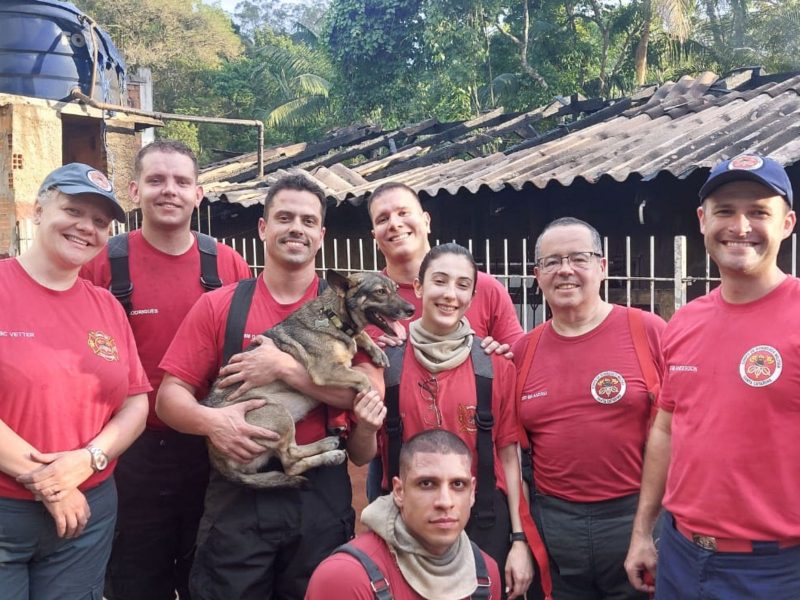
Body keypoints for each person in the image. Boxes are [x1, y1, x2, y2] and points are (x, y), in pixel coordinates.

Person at [156, 173, 385, 600]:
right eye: (284, 217)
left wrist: (285, 368)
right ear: (263, 228)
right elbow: (169, 398)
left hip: (321, 495)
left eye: (307, 220)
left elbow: (367, 397)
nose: (295, 227)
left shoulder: (354, 310)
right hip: (238, 495)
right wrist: (213, 421)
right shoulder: (220, 305)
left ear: (321, 235)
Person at [80, 140, 252, 600]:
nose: (168, 191)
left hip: (212, 444)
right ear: (134, 191)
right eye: (156, 180)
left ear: (199, 194)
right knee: (137, 573)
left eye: (181, 181)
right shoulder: (104, 263)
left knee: (210, 568)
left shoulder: (226, 265)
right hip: (133, 452)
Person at [624, 154, 800, 599]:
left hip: (777, 569)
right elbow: (666, 428)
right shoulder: (684, 321)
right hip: (680, 556)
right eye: (725, 211)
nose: (740, 226)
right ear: (703, 221)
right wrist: (643, 531)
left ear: (787, 224)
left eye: (759, 212)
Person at [0, 163, 149, 599]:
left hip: (88, 513)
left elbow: (136, 402)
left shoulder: (106, 306)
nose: (87, 228)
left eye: (100, 222)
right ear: (39, 209)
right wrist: (50, 482)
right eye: (73, 210)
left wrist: (89, 460)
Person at [513, 217, 665, 600]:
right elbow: (510, 449)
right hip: (555, 524)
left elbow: (683, 425)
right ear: (537, 275)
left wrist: (648, 529)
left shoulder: (647, 330)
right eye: (552, 261)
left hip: (635, 516)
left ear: (601, 266)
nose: (565, 270)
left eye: (578, 258)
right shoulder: (521, 352)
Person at [375, 243, 533, 599]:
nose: (450, 294)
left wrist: (519, 539)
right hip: (406, 525)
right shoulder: (387, 363)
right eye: (440, 282)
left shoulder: (494, 367)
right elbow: (365, 451)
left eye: (462, 285)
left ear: (473, 295)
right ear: (418, 287)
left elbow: (509, 457)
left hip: (484, 523)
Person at [306, 429, 503, 600]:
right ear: (399, 492)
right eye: (426, 484)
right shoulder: (345, 577)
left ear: (472, 493)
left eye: (458, 484)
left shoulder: (484, 572)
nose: (445, 502)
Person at [366, 182, 523, 352]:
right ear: (375, 237)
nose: (394, 224)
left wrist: (498, 357)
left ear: (426, 221)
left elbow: (519, 358)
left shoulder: (484, 288)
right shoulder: (362, 301)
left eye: (403, 213)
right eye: (383, 219)